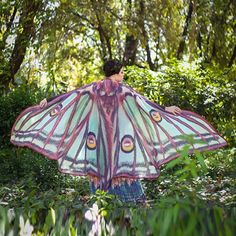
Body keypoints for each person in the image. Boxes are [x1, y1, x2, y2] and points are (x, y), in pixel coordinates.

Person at [10, 59, 227, 203]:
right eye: (123, 72)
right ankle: (132, 211)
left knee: (100, 178)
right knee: (126, 173)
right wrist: (164, 110)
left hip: (97, 148)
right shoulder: (124, 92)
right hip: (122, 147)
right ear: (118, 73)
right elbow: (145, 106)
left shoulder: (91, 89)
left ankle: (104, 210)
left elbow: (69, 98)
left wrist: (49, 105)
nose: (123, 76)